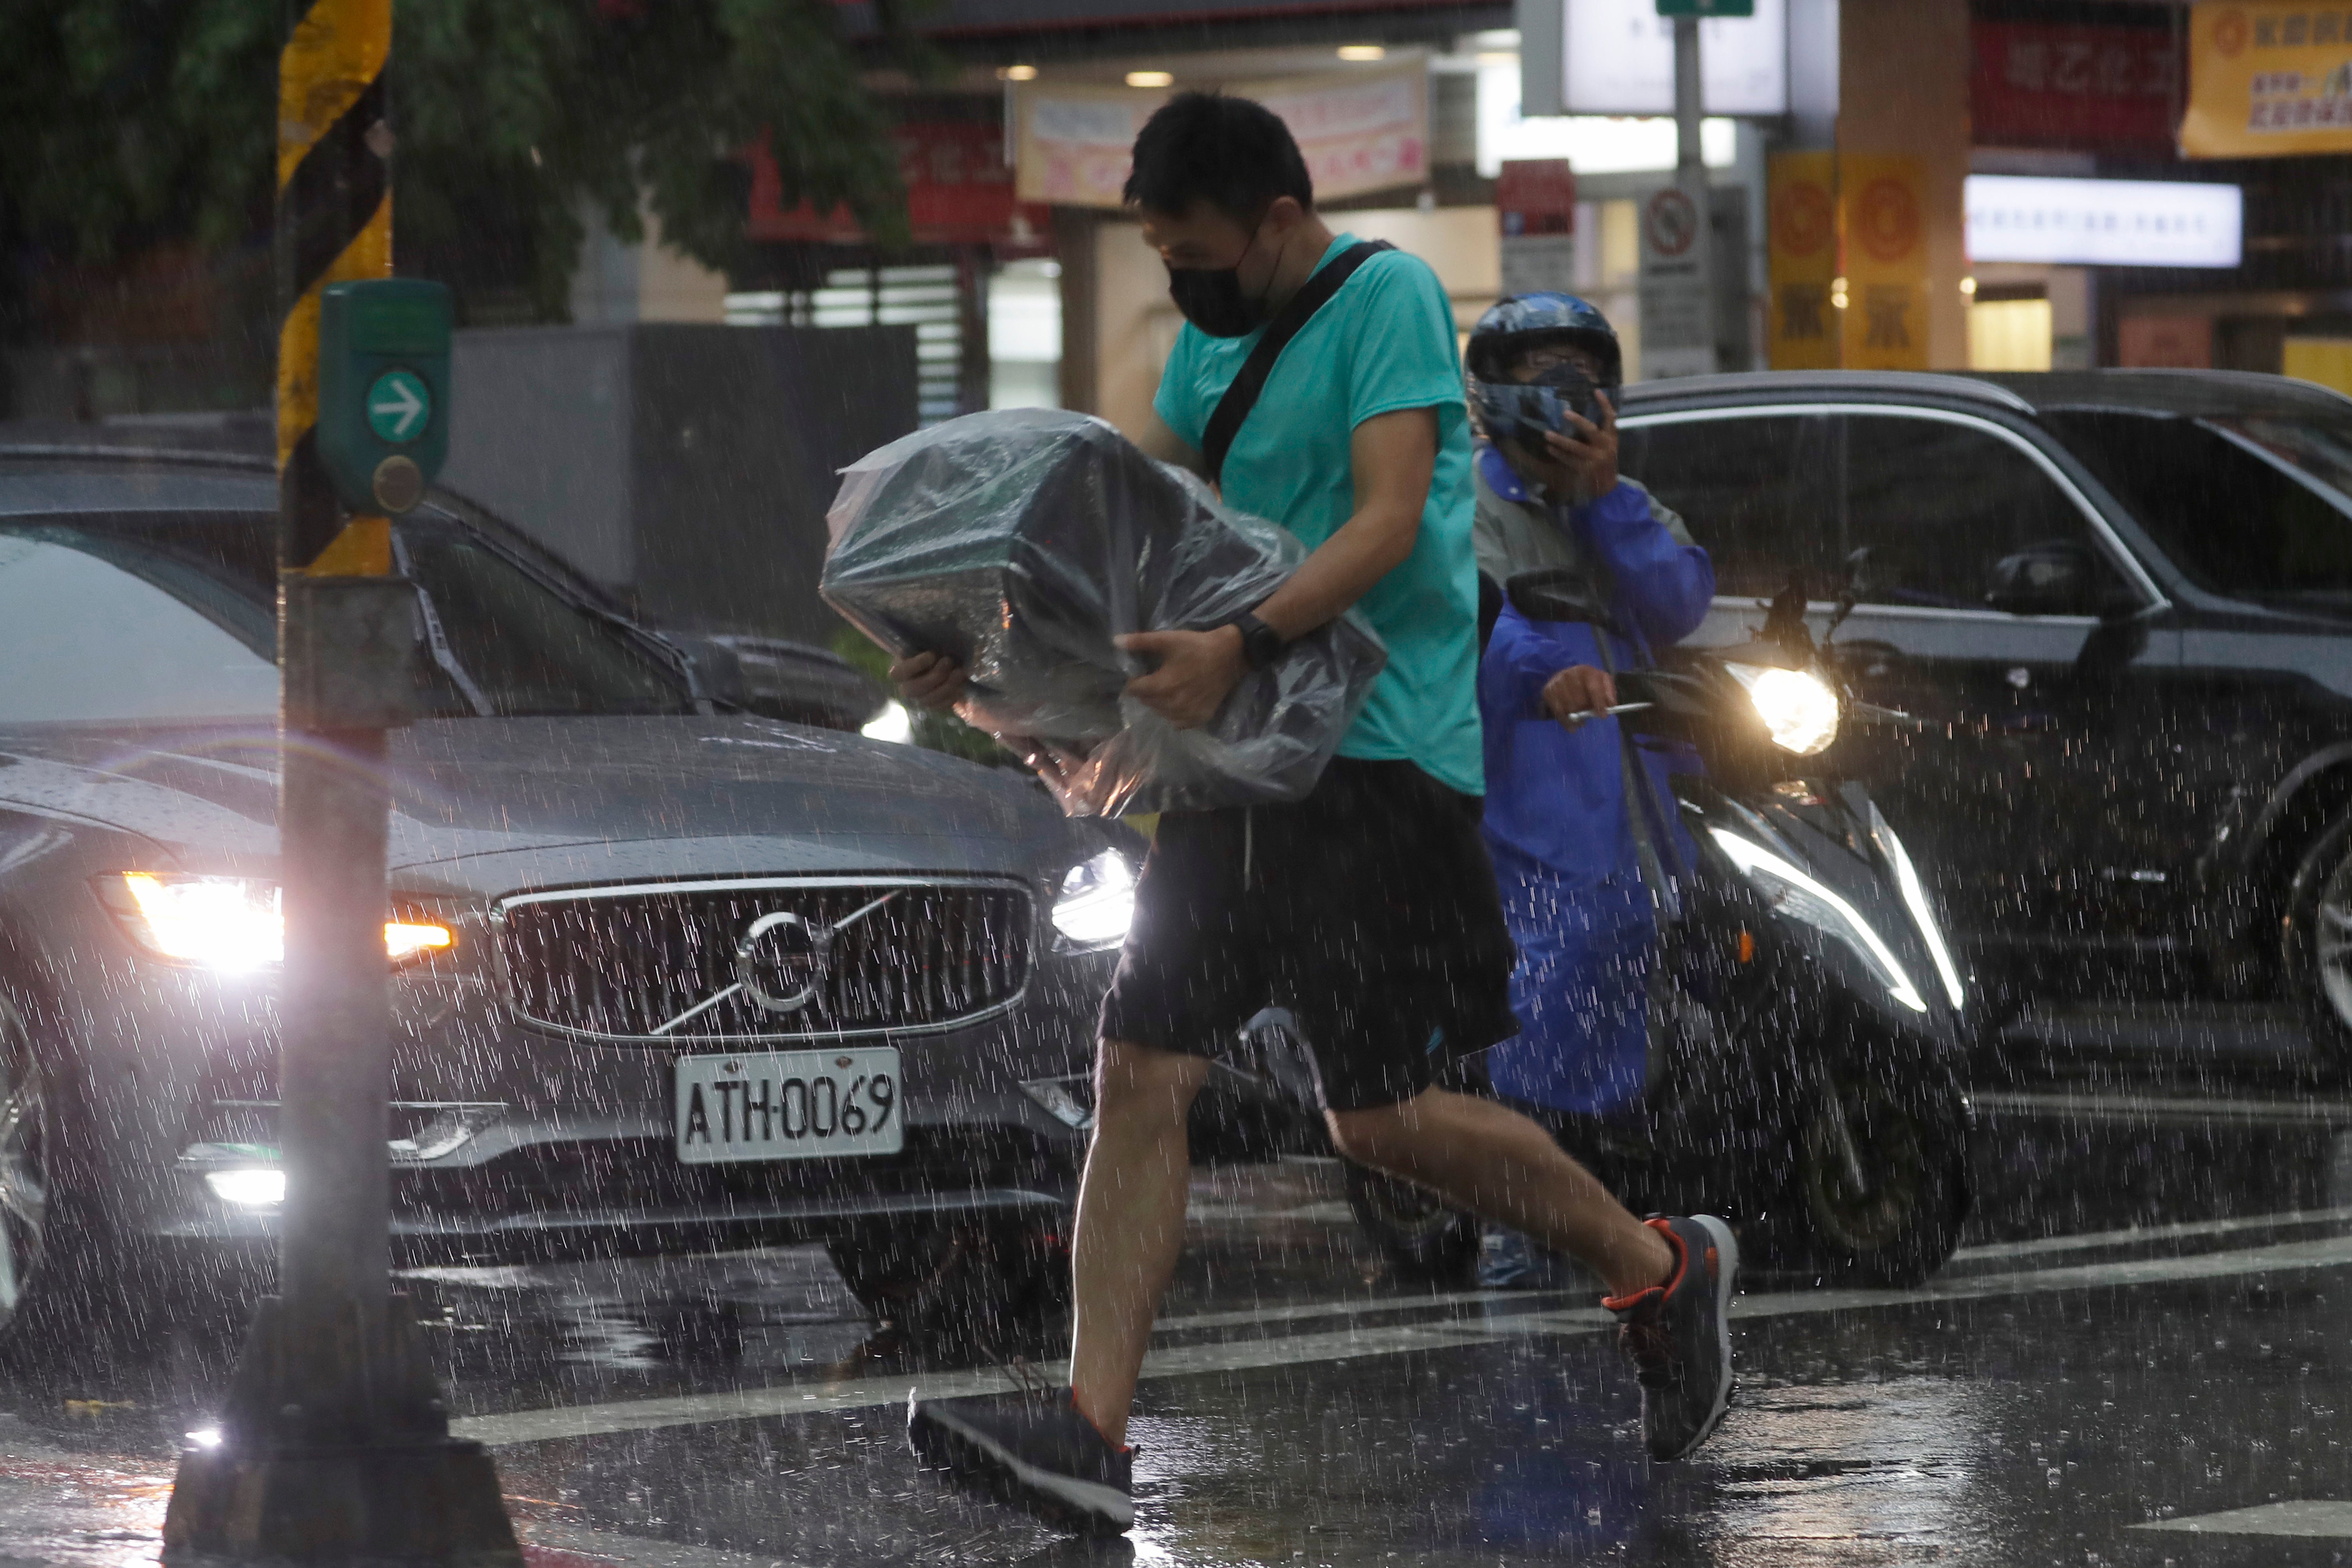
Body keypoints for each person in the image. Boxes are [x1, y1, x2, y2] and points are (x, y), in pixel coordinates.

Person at [892, 95, 1738, 1537]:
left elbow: (1389, 517)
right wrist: (982, 638)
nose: (1182, 275)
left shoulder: (1386, 295)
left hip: (1379, 766)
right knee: (1143, 1067)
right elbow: (1121, 516)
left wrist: (1246, 645)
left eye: (1197, 247)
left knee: (1383, 1119)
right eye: (1161, 250)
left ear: (1278, 221)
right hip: (1239, 775)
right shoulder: (1209, 345)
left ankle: (1661, 1270)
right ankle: (1091, 1431)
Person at [1462, 295, 1718, 1287]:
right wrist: (1540, 673)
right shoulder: (1461, 505)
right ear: (1492, 392)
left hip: (1635, 797)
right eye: (1540, 374)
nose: (1566, 395)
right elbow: (1472, 615)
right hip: (1524, 792)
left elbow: (1679, 600)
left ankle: (1601, 1203)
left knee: (1627, 974)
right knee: (1542, 985)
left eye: (1582, 373)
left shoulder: (1624, 500)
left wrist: (1605, 501)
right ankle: (1514, 1219)